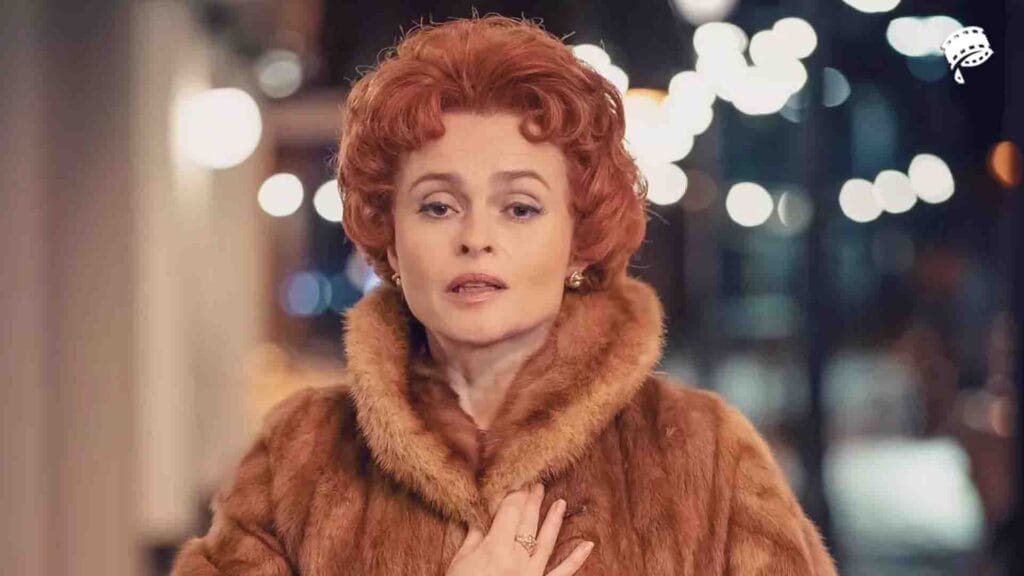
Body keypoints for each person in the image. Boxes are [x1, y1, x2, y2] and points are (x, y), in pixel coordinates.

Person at [170, 14, 839, 576]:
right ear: (391, 241)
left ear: (579, 239)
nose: (475, 238)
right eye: (437, 206)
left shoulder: (703, 454)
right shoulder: (302, 456)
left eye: (520, 208)